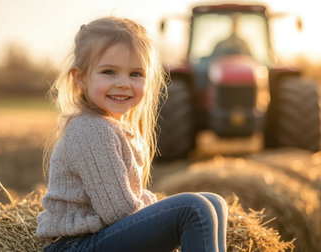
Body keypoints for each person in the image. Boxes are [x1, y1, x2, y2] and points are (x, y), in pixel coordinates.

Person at [36, 17, 228, 252]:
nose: (124, 83)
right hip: (76, 246)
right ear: (80, 79)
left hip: (98, 239)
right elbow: (119, 213)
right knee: (194, 209)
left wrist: (156, 210)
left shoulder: (112, 127)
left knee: (214, 203)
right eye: (109, 72)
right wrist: (161, 214)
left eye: (135, 74)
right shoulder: (91, 129)